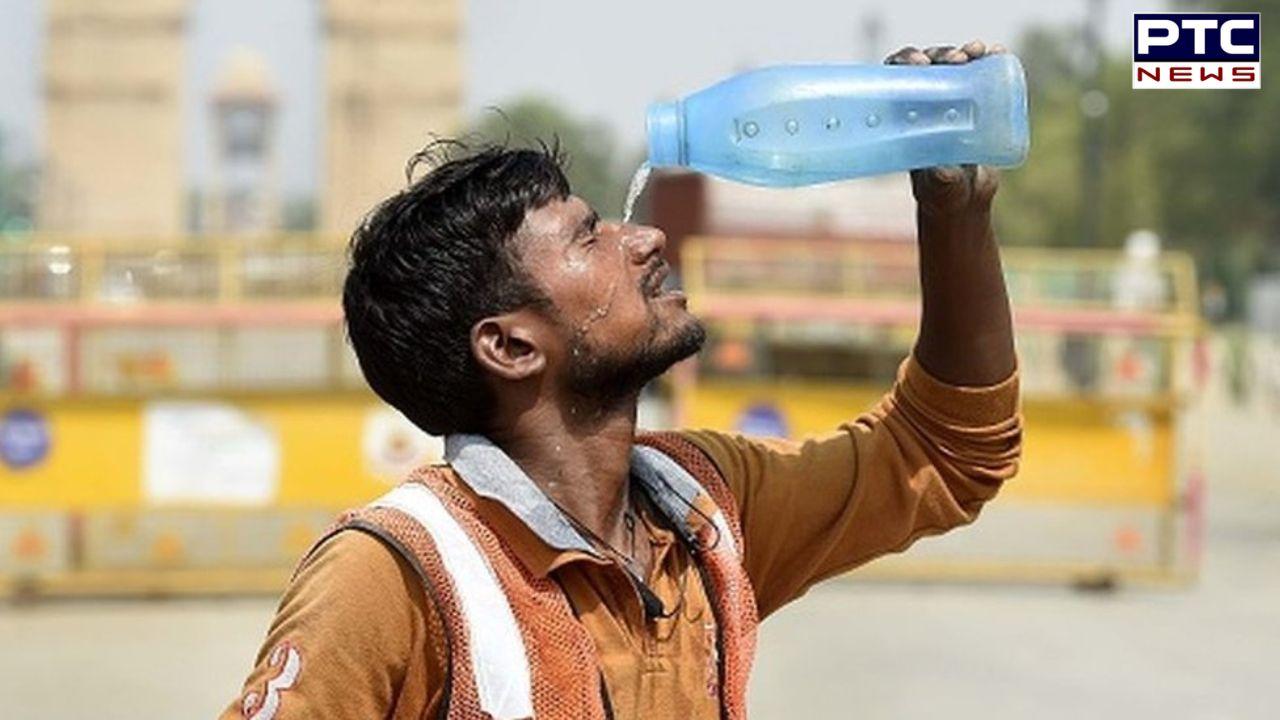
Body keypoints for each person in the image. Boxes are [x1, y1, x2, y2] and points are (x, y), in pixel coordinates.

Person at [225, 41, 1022, 720]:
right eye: (587, 238)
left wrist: (955, 219)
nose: (643, 238)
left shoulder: (705, 511)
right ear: (509, 346)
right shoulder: (394, 576)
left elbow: (945, 452)